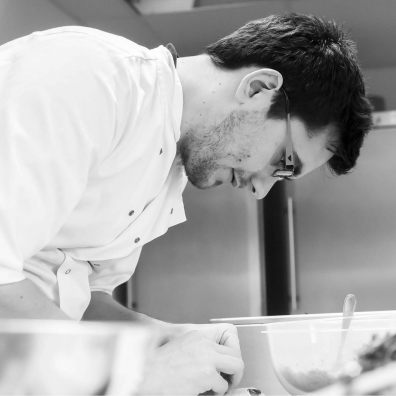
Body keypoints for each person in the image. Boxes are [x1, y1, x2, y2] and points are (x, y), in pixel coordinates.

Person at [0, 13, 371, 395]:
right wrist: (131, 380)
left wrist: (170, 338)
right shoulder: (91, 77)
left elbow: (78, 300)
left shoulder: (167, 173)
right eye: (283, 163)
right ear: (260, 88)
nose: (261, 191)